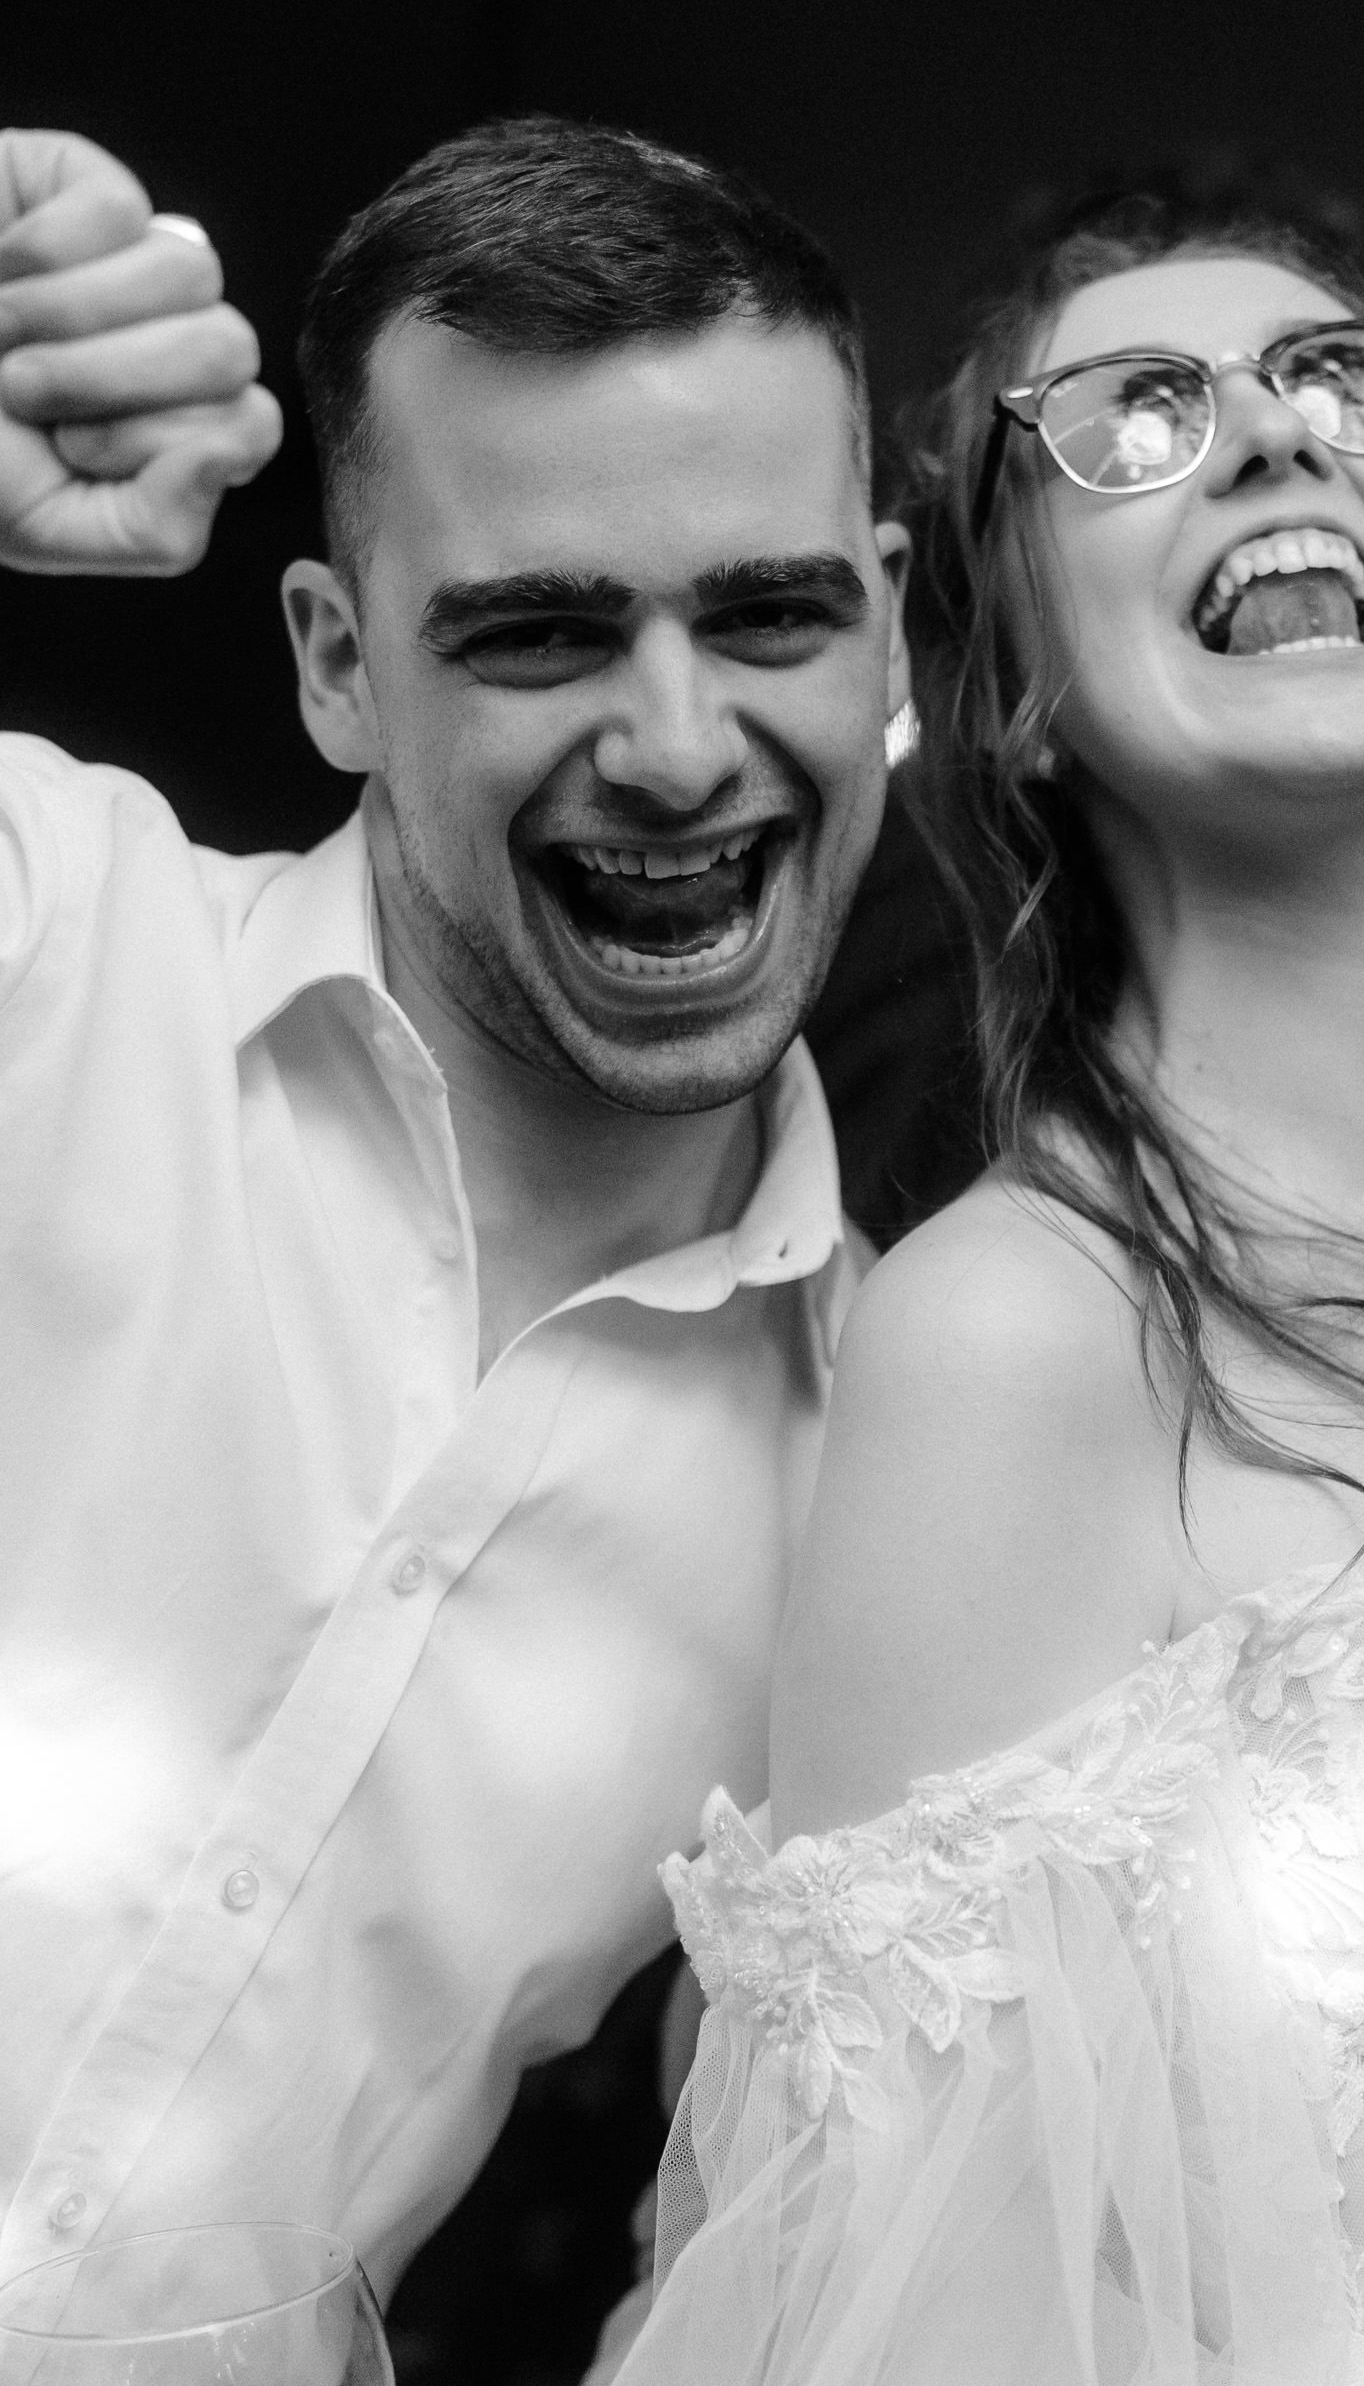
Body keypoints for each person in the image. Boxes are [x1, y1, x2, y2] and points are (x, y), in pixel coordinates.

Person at [615, 184, 1364, 2383]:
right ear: (1017, 692)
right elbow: (929, 2312)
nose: (1276, 435)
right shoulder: (1014, 1338)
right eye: (1133, 417)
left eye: (1349, 383)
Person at [0, 112, 910, 2328]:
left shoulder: (892, 1463)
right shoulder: (51, 941)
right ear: (336, 665)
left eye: (768, 613)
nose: (677, 744)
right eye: (540, 634)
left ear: (885, 623)